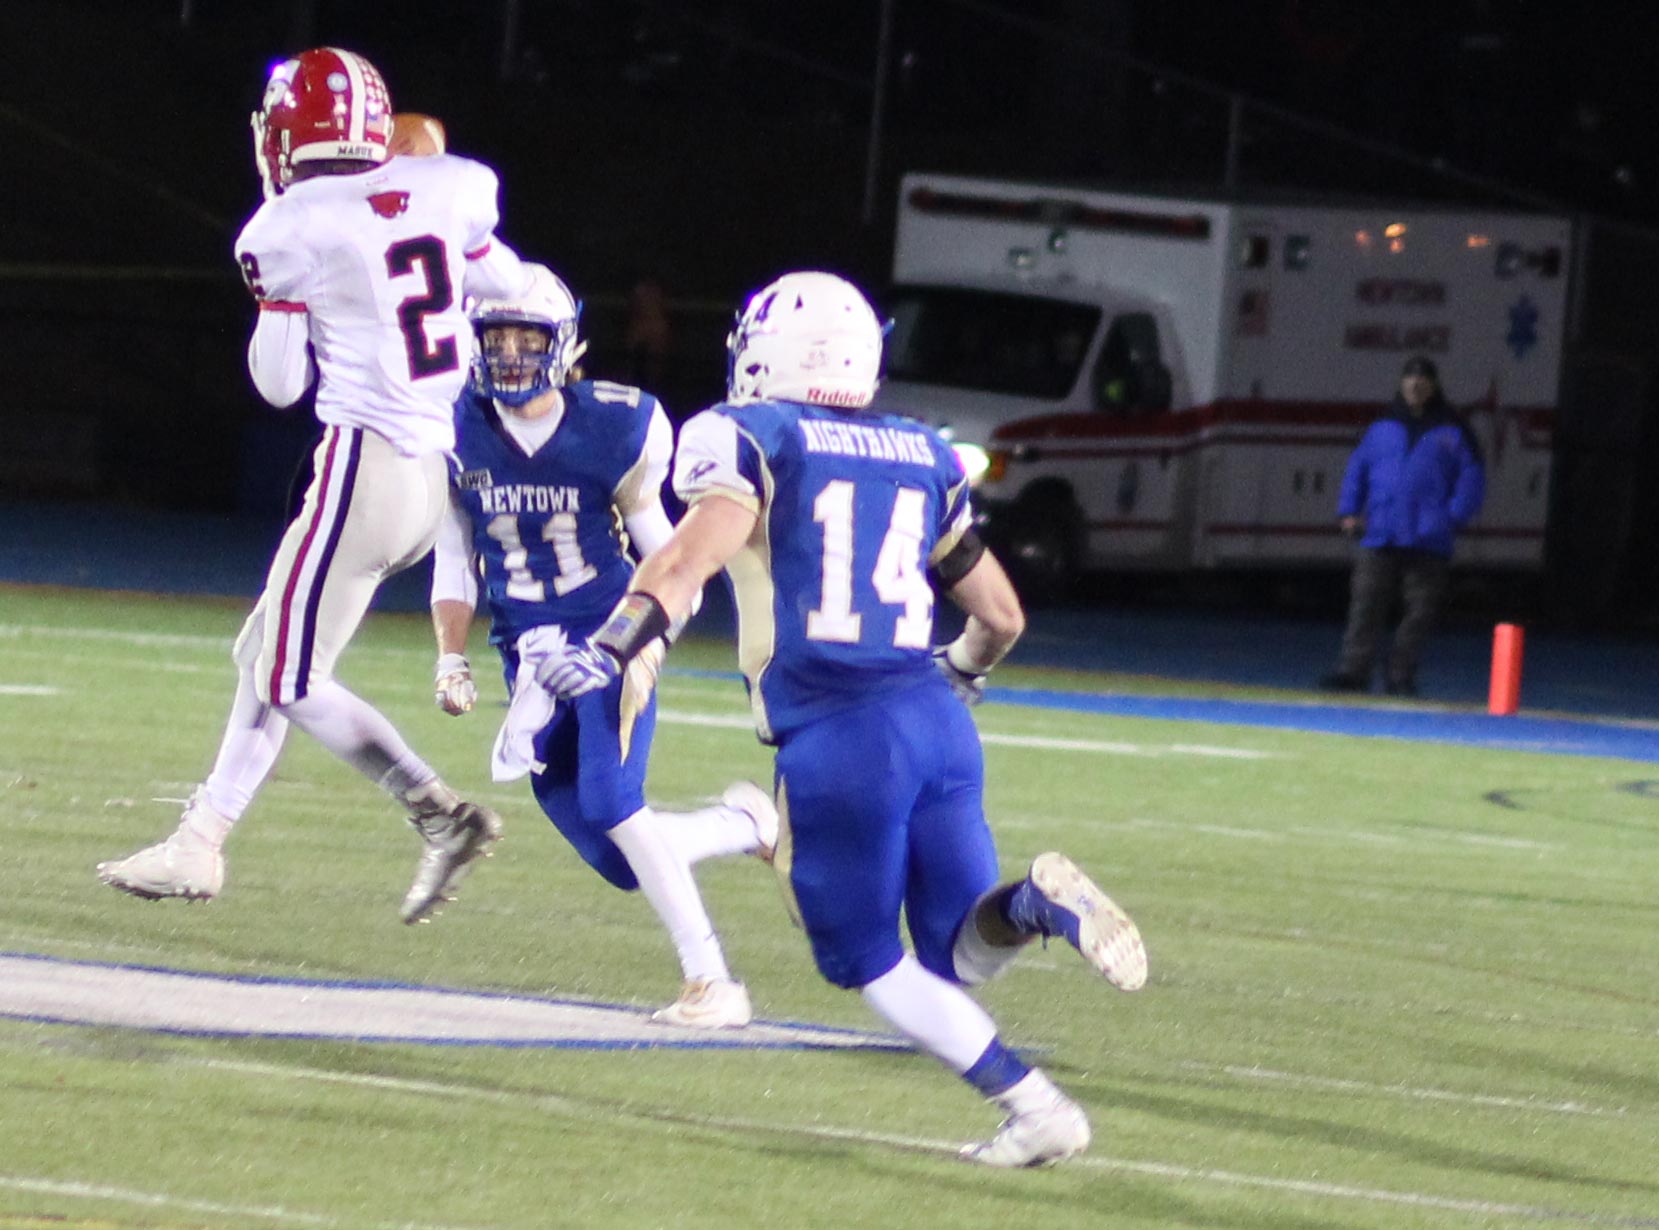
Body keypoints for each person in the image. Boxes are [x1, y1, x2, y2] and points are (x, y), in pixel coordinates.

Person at [538, 271, 1148, 1167]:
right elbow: (1001, 616)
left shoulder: (755, 435)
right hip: (938, 724)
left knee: (864, 960)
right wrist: (958, 672)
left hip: (839, 736)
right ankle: (1032, 904)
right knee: (956, 953)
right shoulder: (922, 450)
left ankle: (1038, 1109)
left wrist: (612, 646)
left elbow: (684, 563)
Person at [98, 48, 531, 922]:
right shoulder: (449, 186)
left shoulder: (288, 225)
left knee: (289, 674)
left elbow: (279, 384)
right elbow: (507, 287)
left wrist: (293, 291)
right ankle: (200, 841)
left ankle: (438, 813)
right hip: (429, 475)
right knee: (265, 655)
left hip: (362, 467)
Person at [429, 263, 777, 1026]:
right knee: (616, 855)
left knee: (616, 803)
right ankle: (741, 825)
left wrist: (628, 646)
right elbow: (455, 556)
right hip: (528, 652)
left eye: (528, 338)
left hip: (610, 634)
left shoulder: (614, 425)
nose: (511, 353)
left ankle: (712, 982)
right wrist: (451, 654)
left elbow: (674, 565)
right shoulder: (451, 425)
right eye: (497, 337)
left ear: (563, 343)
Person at [1319, 355, 1485, 696]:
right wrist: (1348, 511)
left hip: (1428, 537)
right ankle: (1353, 671)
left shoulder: (1454, 429)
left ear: (1434, 386)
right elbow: (1357, 469)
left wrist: (1452, 517)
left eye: (1422, 380)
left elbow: (1472, 478)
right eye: (1410, 379)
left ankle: (1400, 675)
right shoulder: (1381, 425)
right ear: (1401, 383)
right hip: (1379, 531)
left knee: (1419, 614)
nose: (1415, 385)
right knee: (1365, 606)